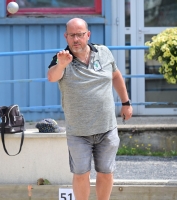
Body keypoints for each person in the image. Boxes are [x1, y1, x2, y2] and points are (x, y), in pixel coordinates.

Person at [47, 18, 133, 200]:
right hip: (79, 132)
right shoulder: (60, 57)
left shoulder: (104, 52)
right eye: (72, 35)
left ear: (88, 35)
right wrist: (62, 64)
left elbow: (116, 75)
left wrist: (126, 102)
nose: (76, 39)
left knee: (106, 172)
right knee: (80, 174)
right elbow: (52, 77)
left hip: (107, 128)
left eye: (80, 34)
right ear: (66, 36)